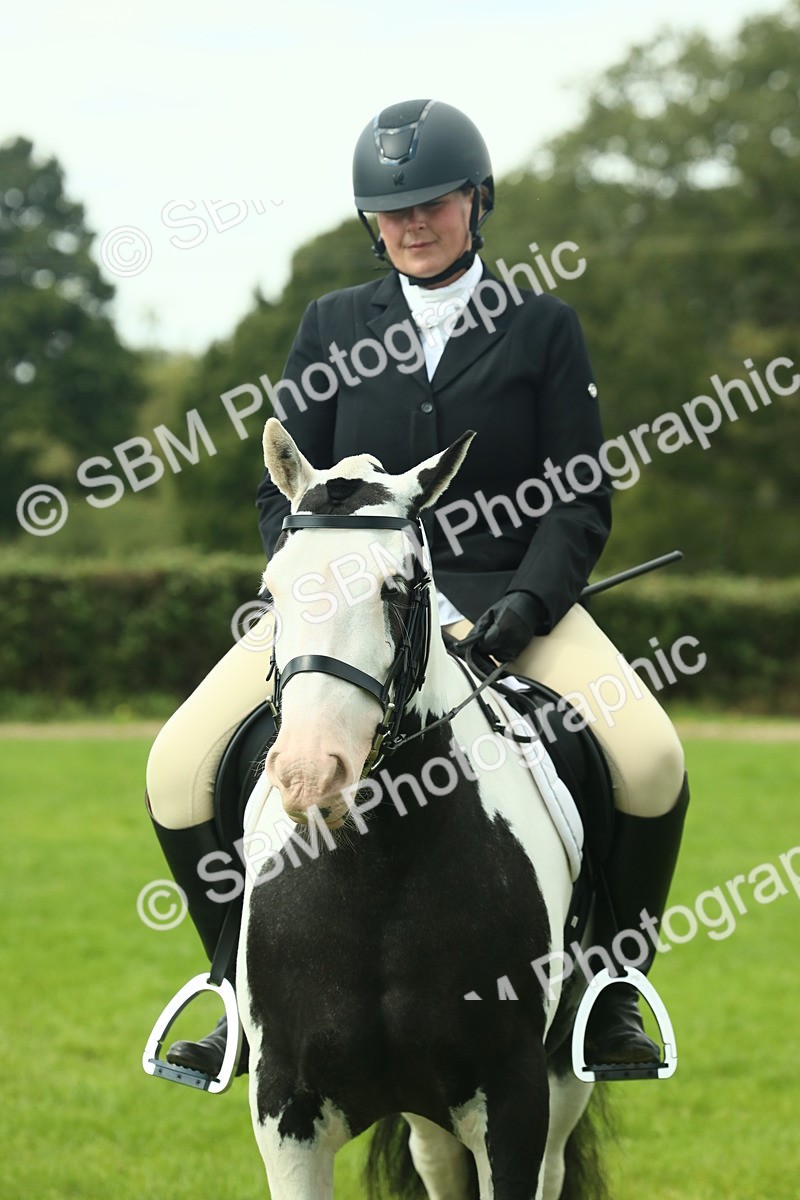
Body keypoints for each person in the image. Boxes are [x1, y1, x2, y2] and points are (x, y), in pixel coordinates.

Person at [146, 99, 689, 1080]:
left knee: (648, 758)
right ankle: (233, 986)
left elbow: (577, 501)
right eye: (390, 212)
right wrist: (313, 587)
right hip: (346, 610)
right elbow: (284, 489)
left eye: (430, 203)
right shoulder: (330, 325)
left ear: (475, 201)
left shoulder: (540, 326)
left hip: (503, 603)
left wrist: (521, 609)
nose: (411, 225)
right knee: (176, 765)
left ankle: (606, 993)